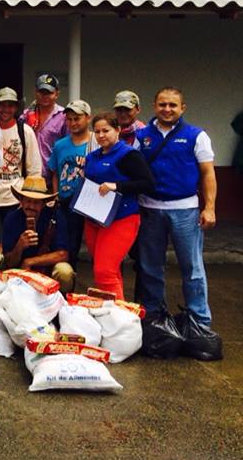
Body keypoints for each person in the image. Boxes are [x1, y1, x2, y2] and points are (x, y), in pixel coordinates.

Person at [135, 87, 220, 352]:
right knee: (150, 267)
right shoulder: (141, 137)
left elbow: (207, 174)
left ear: (183, 108)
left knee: (192, 268)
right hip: (149, 209)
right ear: (154, 106)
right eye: (162, 104)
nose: (167, 109)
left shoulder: (196, 136)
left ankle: (199, 321)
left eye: (173, 105)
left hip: (185, 210)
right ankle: (154, 318)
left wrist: (210, 208)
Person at [0, 87, 42, 288]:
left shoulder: (24, 131)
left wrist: (28, 197)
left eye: (10, 105)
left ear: (16, 107)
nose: (5, 109)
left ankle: (13, 286)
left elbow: (34, 167)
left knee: (15, 246)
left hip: (16, 197)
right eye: (2, 104)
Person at [82, 112, 156, 300]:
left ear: (117, 130)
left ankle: (119, 321)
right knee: (107, 271)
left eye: (106, 130)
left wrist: (117, 186)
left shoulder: (129, 155)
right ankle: (115, 312)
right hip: (94, 219)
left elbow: (147, 183)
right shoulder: (92, 156)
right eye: (97, 131)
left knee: (104, 270)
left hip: (121, 219)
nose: (101, 135)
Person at [0, 175, 75, 292]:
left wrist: (30, 261)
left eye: (36, 202)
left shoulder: (55, 217)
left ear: (43, 204)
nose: (31, 206)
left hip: (47, 271)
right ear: (21, 201)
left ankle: (61, 306)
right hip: (19, 272)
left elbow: (63, 254)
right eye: (28, 201)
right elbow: (9, 262)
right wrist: (20, 245)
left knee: (64, 271)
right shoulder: (12, 219)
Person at [46, 100, 95, 264]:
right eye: (69, 119)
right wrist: (56, 195)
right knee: (68, 247)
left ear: (88, 118)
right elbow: (54, 172)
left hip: (89, 202)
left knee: (95, 248)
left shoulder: (96, 142)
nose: (73, 123)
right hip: (66, 202)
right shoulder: (60, 145)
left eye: (77, 118)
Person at [22, 73, 68, 175]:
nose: (44, 96)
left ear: (56, 94)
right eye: (41, 92)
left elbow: (68, 146)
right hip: (27, 175)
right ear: (35, 92)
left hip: (52, 175)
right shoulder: (25, 115)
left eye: (49, 93)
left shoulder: (63, 116)